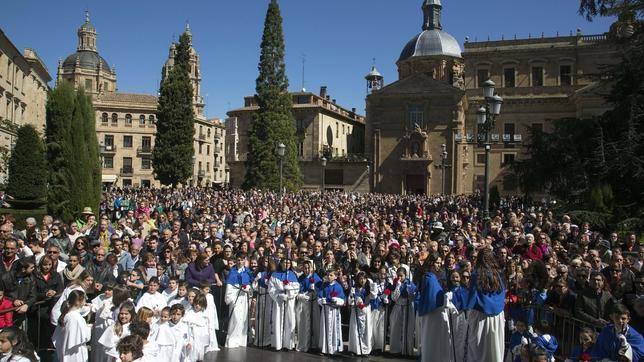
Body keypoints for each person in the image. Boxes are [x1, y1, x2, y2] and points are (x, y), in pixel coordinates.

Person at [464, 249, 506, 362]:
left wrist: (467, 310)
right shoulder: (499, 273)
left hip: (480, 315)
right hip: (497, 315)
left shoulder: (476, 274)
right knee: (495, 347)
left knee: (479, 349)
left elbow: (472, 296)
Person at [417, 254, 453, 362]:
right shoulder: (429, 277)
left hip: (436, 313)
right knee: (432, 340)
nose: (439, 265)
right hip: (432, 313)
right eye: (437, 263)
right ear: (431, 263)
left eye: (440, 263)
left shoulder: (434, 276)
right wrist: (445, 299)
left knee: (436, 340)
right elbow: (432, 297)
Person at [269, 257, 299, 351]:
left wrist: (289, 293)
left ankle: (288, 344)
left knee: (289, 321)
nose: (287, 265)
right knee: (278, 320)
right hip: (278, 301)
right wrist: (279, 295)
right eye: (285, 262)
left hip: (289, 302)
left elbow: (296, 289)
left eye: (289, 263)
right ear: (281, 263)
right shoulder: (275, 274)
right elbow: (271, 288)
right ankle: (278, 344)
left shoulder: (293, 275)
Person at [52, 289, 91, 362]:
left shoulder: (67, 314)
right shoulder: (75, 317)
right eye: (84, 299)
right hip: (75, 353)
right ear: (78, 301)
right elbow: (83, 337)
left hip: (65, 349)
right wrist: (89, 328)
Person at [224, 253, 252, 348]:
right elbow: (229, 286)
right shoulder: (233, 272)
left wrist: (248, 287)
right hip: (235, 296)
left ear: (245, 260)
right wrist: (231, 298)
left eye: (242, 259)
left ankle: (241, 341)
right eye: (239, 260)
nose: (240, 262)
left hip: (243, 297)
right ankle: (232, 340)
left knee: (243, 318)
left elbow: (250, 283)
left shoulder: (247, 271)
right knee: (235, 318)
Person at [389, 266, 417, 356]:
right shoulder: (396, 283)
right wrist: (398, 286)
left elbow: (414, 297)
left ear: (406, 275)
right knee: (395, 328)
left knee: (408, 329)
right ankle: (395, 350)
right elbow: (394, 298)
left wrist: (410, 293)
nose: (400, 278)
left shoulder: (410, 284)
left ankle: (407, 350)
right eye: (398, 276)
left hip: (408, 307)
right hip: (398, 306)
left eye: (401, 276)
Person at [296, 258, 322, 352]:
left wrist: (315, 289)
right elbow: (298, 289)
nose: (307, 270)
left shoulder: (316, 277)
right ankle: (304, 343)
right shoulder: (301, 278)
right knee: (303, 323)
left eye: (308, 268)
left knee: (315, 322)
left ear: (311, 268)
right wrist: (301, 295)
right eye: (305, 268)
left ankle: (315, 343)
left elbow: (320, 289)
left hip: (313, 302)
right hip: (304, 302)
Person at [318, 266, 345, 356]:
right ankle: (325, 348)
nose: (329, 277)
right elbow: (320, 297)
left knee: (333, 329)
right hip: (325, 310)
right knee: (325, 328)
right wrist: (322, 301)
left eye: (331, 275)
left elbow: (342, 300)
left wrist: (336, 300)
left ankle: (333, 348)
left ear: (335, 276)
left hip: (334, 310)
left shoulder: (338, 286)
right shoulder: (324, 285)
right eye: (328, 275)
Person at [348, 271, 375, 356]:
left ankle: (365, 350)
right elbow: (349, 301)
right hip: (356, 310)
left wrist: (372, 286)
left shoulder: (368, 288)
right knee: (355, 329)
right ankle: (356, 349)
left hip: (366, 309)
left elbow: (373, 296)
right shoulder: (354, 288)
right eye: (360, 279)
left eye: (364, 278)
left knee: (366, 330)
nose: (362, 280)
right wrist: (353, 298)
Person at [183, 293, 213, 360]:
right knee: (190, 355)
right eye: (196, 303)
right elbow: (186, 328)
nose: (197, 305)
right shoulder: (189, 313)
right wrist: (188, 341)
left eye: (200, 304)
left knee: (199, 356)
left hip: (201, 339)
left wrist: (208, 340)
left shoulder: (205, 315)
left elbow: (208, 329)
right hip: (191, 338)